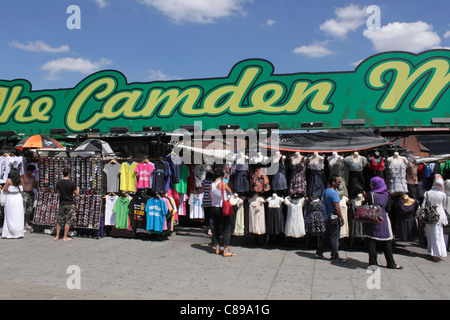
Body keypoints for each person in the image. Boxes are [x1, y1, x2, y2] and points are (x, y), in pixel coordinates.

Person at [362, 176, 403, 269]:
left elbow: (364, 206)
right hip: (383, 219)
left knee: (371, 241)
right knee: (386, 242)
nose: (370, 185)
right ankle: (391, 263)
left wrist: (364, 198)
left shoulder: (371, 194)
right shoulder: (387, 195)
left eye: (371, 184)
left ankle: (373, 264)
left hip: (372, 219)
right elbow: (388, 209)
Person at [316, 174, 345, 262]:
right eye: (338, 182)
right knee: (334, 237)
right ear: (333, 182)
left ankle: (319, 252)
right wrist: (342, 218)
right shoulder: (334, 193)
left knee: (327, 236)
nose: (340, 183)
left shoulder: (325, 191)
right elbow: (337, 207)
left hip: (326, 217)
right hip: (334, 218)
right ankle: (334, 256)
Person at [209, 167, 234, 257]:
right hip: (222, 208)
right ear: (221, 176)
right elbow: (230, 192)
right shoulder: (223, 184)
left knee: (216, 228)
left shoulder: (212, 185)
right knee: (226, 229)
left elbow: (210, 196)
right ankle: (226, 250)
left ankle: (217, 248)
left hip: (213, 208)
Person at [422, 175, 448, 262]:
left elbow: (423, 206)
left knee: (431, 234)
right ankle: (438, 252)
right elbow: (443, 206)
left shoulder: (427, 193)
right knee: (439, 234)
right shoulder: (443, 194)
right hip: (440, 215)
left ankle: (435, 253)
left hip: (430, 215)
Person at [55, 167, 79, 241]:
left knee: (60, 220)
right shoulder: (71, 183)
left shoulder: (59, 183)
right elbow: (77, 194)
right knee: (68, 220)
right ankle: (65, 237)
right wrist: (77, 189)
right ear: (69, 174)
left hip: (62, 202)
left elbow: (57, 191)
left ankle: (57, 236)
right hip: (69, 203)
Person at [1, 168, 24, 239]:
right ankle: (18, 232)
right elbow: (21, 188)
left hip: (10, 197)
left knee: (9, 214)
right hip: (18, 197)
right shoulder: (20, 179)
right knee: (18, 214)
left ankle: (9, 232)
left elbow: (5, 190)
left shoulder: (8, 180)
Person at [21, 164, 37, 230]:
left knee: (29, 210)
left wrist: (35, 184)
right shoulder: (23, 176)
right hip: (24, 193)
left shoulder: (33, 177)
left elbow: (34, 185)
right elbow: (21, 186)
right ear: (28, 170)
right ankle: (22, 223)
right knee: (23, 209)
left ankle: (26, 223)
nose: (31, 173)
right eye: (31, 171)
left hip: (30, 193)